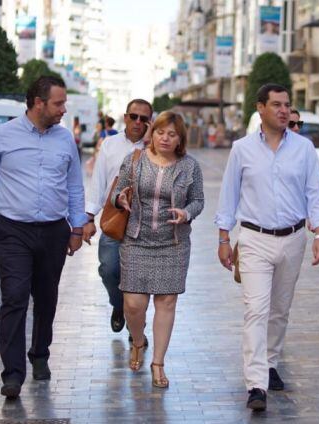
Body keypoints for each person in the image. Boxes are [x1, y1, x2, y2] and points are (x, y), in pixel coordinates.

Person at [0, 76, 87, 399]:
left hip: (53, 231)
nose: (64, 109)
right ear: (39, 103)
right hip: (13, 231)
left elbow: (75, 186)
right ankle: (12, 374)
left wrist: (77, 228)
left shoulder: (65, 141)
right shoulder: (2, 137)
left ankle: (40, 354)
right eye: (58, 103)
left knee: (46, 299)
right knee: (15, 297)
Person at [215, 83, 319, 411]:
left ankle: (270, 361)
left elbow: (316, 194)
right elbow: (228, 195)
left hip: (293, 238)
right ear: (260, 108)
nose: (283, 110)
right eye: (277, 104)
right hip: (253, 239)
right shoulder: (242, 149)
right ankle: (256, 385)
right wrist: (224, 239)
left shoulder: (304, 149)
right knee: (256, 309)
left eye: (287, 105)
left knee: (279, 310)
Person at [111, 111, 204, 388]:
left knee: (166, 303)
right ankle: (138, 341)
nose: (165, 138)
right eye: (161, 132)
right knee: (133, 303)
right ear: (153, 133)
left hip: (172, 244)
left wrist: (186, 213)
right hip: (137, 240)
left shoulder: (190, 167)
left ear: (180, 139)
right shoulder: (135, 160)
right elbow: (119, 190)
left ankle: (158, 363)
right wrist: (121, 198)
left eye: (172, 134)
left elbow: (198, 200)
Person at [83, 99, 154, 337]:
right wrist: (89, 217)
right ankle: (118, 305)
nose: (138, 122)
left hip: (144, 225)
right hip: (115, 219)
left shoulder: (156, 147)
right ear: (125, 117)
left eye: (144, 119)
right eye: (133, 116)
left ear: (150, 122)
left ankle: (137, 329)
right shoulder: (110, 145)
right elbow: (98, 181)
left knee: (140, 279)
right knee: (109, 269)